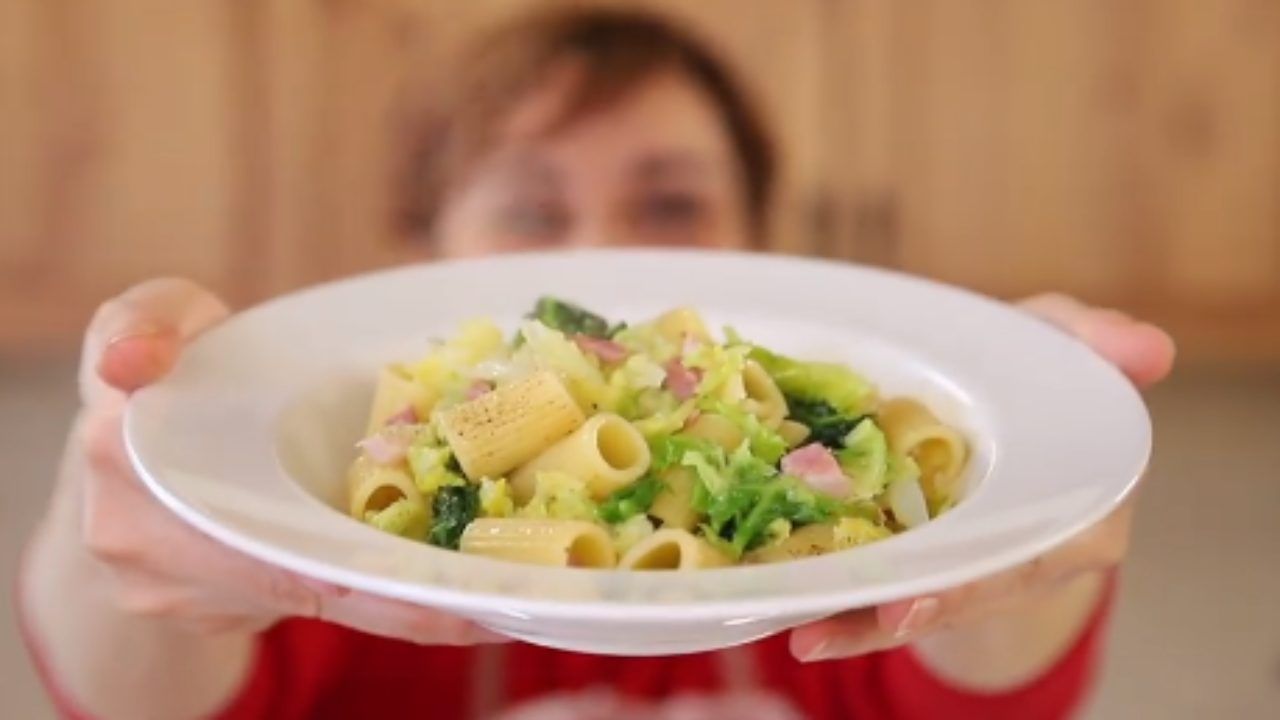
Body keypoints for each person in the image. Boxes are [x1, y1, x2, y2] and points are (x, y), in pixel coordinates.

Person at [18, 7, 1175, 720]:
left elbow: (978, 696)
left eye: (669, 202)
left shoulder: (833, 513)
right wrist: (118, 466)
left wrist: (1032, 519)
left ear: (763, 240)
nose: (604, 255)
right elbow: (135, 698)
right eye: (530, 210)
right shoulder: (349, 557)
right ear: (422, 252)